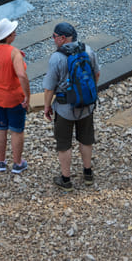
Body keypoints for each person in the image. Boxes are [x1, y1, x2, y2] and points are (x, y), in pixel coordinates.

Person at [42, 22, 100, 192]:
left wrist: (47, 107)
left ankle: (66, 179)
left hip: (64, 108)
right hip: (86, 106)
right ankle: (88, 173)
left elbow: (49, 87)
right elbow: (96, 74)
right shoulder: (88, 50)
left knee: (64, 143)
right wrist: (88, 94)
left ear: (62, 38)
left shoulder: (57, 58)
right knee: (86, 138)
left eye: (54, 37)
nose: (53, 40)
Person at [0, 18, 31, 174]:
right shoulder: (14, 53)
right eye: (13, 31)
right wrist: (27, 96)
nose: (15, 33)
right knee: (17, 130)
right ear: (9, 35)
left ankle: (0, 162)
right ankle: (17, 164)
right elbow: (22, 75)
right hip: (13, 98)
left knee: (0, 127)